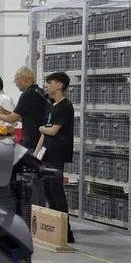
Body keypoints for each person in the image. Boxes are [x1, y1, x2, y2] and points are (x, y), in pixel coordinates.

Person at [35, 71, 76, 244]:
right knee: (48, 190)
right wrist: (35, 155)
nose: (46, 86)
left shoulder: (65, 106)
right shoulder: (52, 106)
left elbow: (51, 130)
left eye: (49, 82)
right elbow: (44, 134)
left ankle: (66, 232)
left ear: (59, 85)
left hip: (57, 154)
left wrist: (41, 128)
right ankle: (53, 227)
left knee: (57, 190)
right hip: (46, 153)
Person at [0, 66, 50, 148]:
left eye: (16, 80)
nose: (15, 83)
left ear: (23, 79)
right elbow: (24, 118)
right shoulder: (39, 91)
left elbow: (12, 119)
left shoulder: (27, 94)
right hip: (40, 140)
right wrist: (3, 111)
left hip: (31, 141)